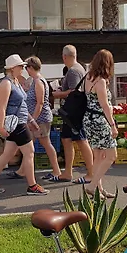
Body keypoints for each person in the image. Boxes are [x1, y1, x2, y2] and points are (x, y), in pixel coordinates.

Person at [0, 54, 49, 196]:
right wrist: (1, 127)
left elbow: (22, 105)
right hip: (17, 124)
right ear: (12, 68)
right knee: (29, 152)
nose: (23, 68)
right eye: (20, 66)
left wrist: (31, 120)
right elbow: (2, 107)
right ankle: (32, 186)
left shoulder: (15, 81)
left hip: (19, 122)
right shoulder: (6, 83)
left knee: (8, 153)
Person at [52, 45, 93, 184]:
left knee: (81, 140)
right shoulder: (80, 68)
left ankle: (91, 173)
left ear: (64, 57)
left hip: (74, 112)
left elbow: (73, 92)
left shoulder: (73, 71)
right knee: (66, 139)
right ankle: (68, 172)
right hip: (74, 111)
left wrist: (57, 94)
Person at [83, 49, 118, 199]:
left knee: (98, 156)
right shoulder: (101, 81)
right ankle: (92, 186)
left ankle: (99, 189)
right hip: (100, 120)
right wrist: (113, 125)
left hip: (89, 120)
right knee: (111, 156)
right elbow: (104, 105)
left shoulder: (88, 77)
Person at [22, 56, 62, 181]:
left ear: (30, 67)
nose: (26, 71)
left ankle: (56, 170)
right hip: (38, 118)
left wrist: (33, 119)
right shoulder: (35, 80)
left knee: (46, 143)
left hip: (41, 119)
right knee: (28, 144)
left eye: (26, 68)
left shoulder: (38, 81)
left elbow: (40, 103)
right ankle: (22, 170)